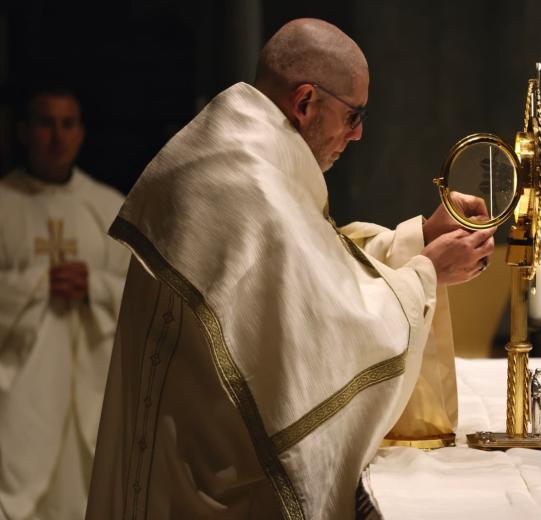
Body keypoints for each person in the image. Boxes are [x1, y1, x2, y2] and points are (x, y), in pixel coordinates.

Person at [86, 18, 495, 519]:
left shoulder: (238, 142)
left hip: (197, 453)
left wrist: (419, 240)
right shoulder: (248, 180)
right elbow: (332, 332)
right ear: (304, 103)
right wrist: (424, 274)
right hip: (214, 480)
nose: (359, 133)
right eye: (354, 115)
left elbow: (313, 270)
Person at [0, 87, 129, 519]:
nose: (57, 136)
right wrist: (38, 285)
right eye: (45, 123)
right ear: (23, 131)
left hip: (89, 395)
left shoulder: (107, 207)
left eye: (68, 124)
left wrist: (94, 286)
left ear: (81, 133)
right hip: (21, 398)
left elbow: (139, 294)